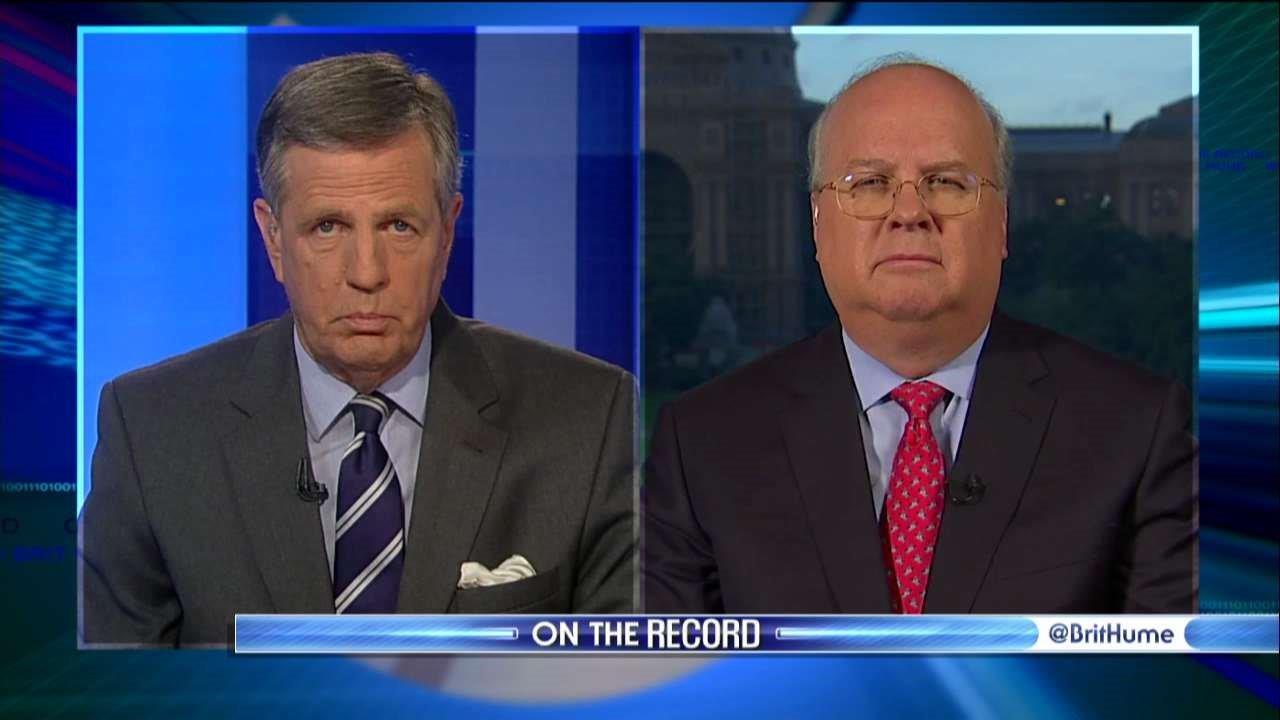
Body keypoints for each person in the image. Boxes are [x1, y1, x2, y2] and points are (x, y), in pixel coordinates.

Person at [81, 52, 636, 646]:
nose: (367, 273)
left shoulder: (588, 419)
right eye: (328, 227)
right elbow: (105, 686)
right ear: (273, 238)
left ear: (447, 233)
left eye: (399, 226)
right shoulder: (152, 430)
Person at [643, 56, 1196, 614]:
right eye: (869, 183)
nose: (909, 212)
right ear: (817, 223)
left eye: (947, 183)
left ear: (1002, 223)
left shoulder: (1139, 431)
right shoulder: (701, 447)